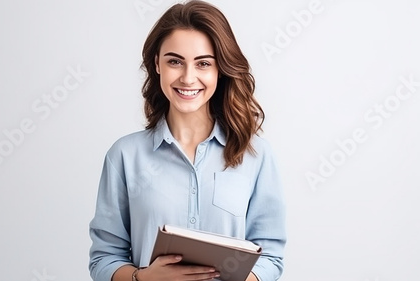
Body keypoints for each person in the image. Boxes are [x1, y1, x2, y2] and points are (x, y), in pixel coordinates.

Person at [89, 1, 286, 280]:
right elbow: (103, 259)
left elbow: (270, 257)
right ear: (157, 64)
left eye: (203, 63)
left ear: (221, 69)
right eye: (175, 61)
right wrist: (143, 278)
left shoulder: (256, 156)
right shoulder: (124, 155)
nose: (188, 77)